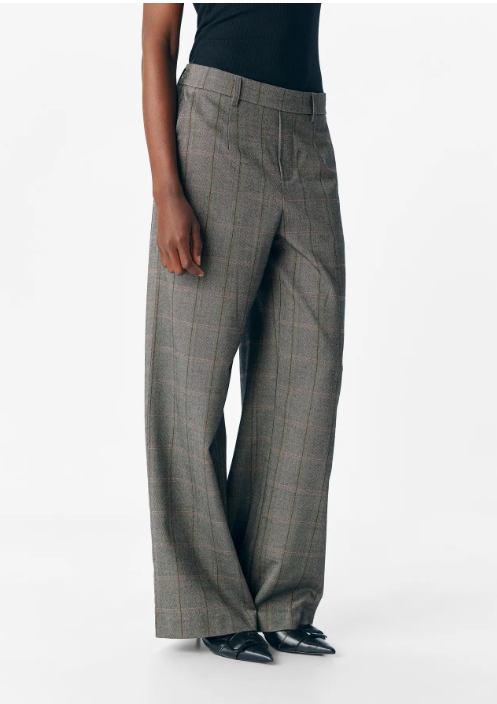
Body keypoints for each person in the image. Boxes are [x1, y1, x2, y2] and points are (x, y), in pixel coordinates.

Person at [142, 3, 345, 663]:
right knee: (190, 379)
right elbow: (157, 39)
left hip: (307, 127)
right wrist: (167, 191)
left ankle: (280, 598)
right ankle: (208, 601)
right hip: (214, 126)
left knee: (307, 373)